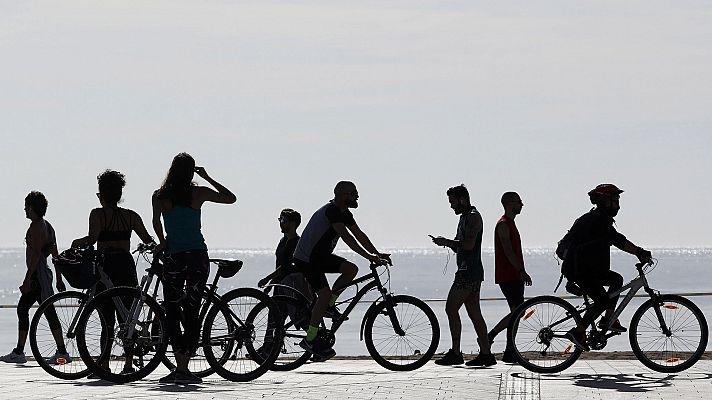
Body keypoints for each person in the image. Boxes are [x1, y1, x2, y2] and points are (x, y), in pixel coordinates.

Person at [152, 153, 236, 384]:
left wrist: (163, 241)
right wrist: (208, 177)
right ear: (191, 171)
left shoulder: (159, 196)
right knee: (192, 309)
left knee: (172, 309)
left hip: (174, 258)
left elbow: (156, 221)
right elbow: (231, 198)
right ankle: (184, 366)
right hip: (197, 257)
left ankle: (179, 364)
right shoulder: (198, 192)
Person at [293, 181, 389, 359]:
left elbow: (359, 234)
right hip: (306, 259)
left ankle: (329, 305)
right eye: (353, 193)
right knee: (323, 293)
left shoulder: (345, 213)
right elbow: (348, 239)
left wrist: (377, 252)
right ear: (342, 195)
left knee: (351, 269)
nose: (357, 196)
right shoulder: (332, 211)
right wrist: (369, 257)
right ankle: (310, 338)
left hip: (319, 257)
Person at [71, 170, 155, 374]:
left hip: (105, 267)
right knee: (127, 318)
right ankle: (128, 364)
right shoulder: (131, 216)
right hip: (125, 266)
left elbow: (92, 239)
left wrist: (76, 243)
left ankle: (103, 364)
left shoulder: (97, 214)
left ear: (102, 194)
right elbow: (147, 239)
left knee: (105, 317)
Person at [562, 184, 652, 351]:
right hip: (581, 270)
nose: (618, 205)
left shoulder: (598, 218)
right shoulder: (597, 220)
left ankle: (607, 319)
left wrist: (638, 251)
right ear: (605, 201)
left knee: (616, 279)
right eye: (615, 201)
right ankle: (578, 332)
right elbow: (617, 240)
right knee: (602, 301)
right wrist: (639, 252)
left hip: (590, 269)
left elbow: (614, 239)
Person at [431, 184, 495, 367]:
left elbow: (467, 245)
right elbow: (459, 244)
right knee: (475, 313)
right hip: (469, 271)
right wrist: (445, 242)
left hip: (469, 272)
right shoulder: (464, 218)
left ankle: (456, 352)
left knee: (451, 309)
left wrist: (447, 241)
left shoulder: (473, 217)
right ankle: (486, 353)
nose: (451, 206)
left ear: (462, 199)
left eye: (452, 202)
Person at [1, 192, 67, 364]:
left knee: (40, 311)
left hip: (38, 275)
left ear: (31, 207)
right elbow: (55, 255)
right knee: (27, 309)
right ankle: (21, 351)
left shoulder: (37, 226)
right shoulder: (48, 225)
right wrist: (59, 279)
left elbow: (37, 255)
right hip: (43, 274)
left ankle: (60, 352)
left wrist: (27, 279)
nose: (24, 209)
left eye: (26, 206)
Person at [487, 192, 532, 363]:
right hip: (509, 275)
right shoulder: (504, 224)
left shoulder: (511, 223)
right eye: (519, 202)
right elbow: (507, 250)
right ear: (510, 204)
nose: (522, 205)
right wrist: (521, 270)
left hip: (513, 274)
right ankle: (492, 336)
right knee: (518, 312)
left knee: (517, 312)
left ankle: (509, 350)